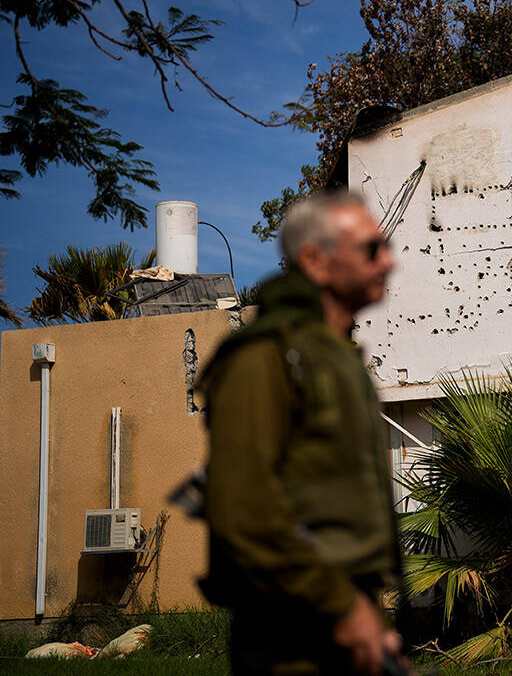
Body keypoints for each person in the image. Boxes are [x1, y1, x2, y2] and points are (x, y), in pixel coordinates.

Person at [199, 193, 407, 675]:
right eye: (372, 249)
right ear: (315, 260)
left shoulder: (335, 355)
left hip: (348, 628)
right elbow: (244, 510)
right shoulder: (265, 356)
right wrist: (341, 607)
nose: (390, 260)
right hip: (292, 639)